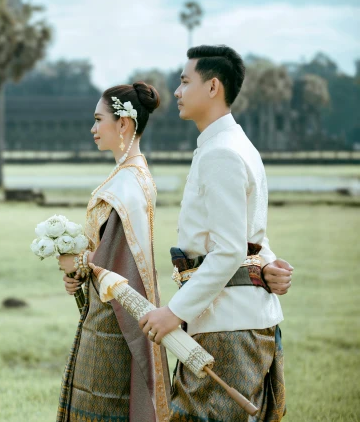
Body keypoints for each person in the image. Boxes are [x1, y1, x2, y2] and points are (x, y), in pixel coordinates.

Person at [139, 45, 293, 421]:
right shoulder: (234, 145)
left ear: (213, 87)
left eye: (184, 81)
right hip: (243, 320)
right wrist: (269, 263)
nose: (176, 91)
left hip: (227, 325)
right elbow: (249, 236)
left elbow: (228, 250)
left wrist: (174, 312)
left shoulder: (221, 152)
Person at [57, 82, 171, 422]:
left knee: (103, 406)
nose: (93, 128)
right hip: (107, 310)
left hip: (113, 320)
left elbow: (116, 261)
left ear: (123, 124)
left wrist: (76, 262)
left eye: (98, 119)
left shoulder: (127, 185)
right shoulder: (131, 176)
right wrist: (79, 273)